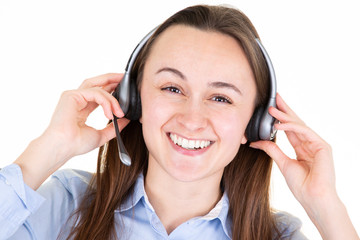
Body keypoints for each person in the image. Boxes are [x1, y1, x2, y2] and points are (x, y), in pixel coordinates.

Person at [0, 4, 358, 240]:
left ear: (257, 122)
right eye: (172, 87)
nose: (192, 118)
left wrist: (325, 206)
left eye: (221, 98)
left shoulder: (278, 235)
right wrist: (47, 149)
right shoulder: (67, 205)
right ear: (133, 99)